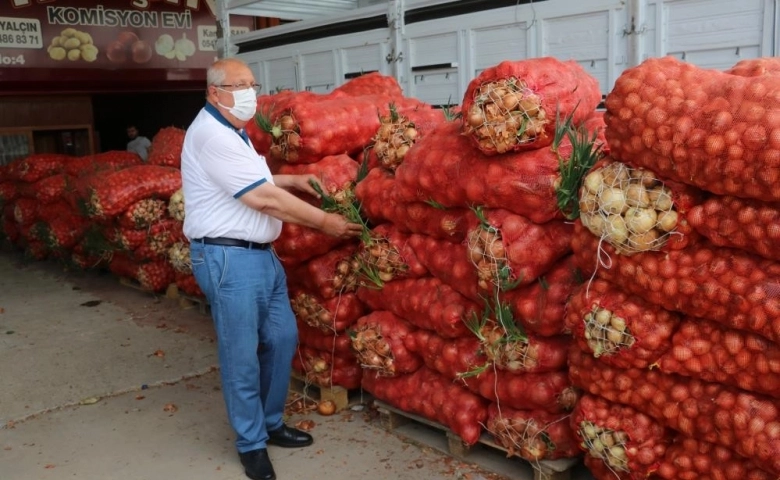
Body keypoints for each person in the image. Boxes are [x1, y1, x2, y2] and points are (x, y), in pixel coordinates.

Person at [180, 58, 363, 480]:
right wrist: (326, 223)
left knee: (282, 339)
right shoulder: (211, 134)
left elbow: (254, 180)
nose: (250, 92)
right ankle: (251, 444)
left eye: (252, 84)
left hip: (259, 254)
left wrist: (292, 181)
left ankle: (270, 422)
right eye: (239, 85)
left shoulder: (233, 130)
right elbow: (262, 200)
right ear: (214, 93)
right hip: (228, 258)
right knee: (241, 354)